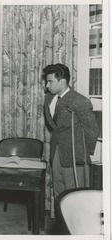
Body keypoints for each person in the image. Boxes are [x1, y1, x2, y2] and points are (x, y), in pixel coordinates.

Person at [43, 63, 99, 198]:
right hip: (56, 152)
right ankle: (60, 219)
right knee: (59, 194)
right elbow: (53, 125)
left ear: (62, 81)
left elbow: (92, 130)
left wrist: (83, 152)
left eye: (50, 81)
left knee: (74, 196)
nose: (47, 85)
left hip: (75, 155)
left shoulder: (79, 101)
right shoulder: (49, 98)